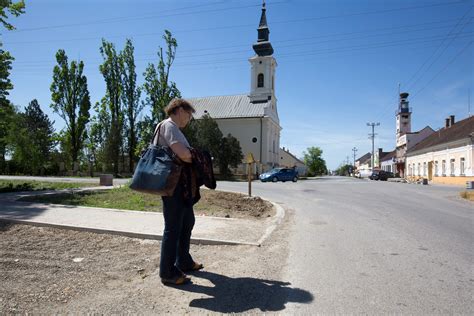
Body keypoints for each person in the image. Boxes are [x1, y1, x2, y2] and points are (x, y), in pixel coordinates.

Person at [154, 98, 203, 286]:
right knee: (173, 228)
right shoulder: (169, 125)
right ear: (180, 110)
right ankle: (167, 272)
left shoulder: (174, 128)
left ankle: (183, 260)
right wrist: (200, 157)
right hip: (172, 185)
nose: (189, 119)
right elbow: (183, 154)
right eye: (189, 115)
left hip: (179, 186)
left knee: (187, 221)